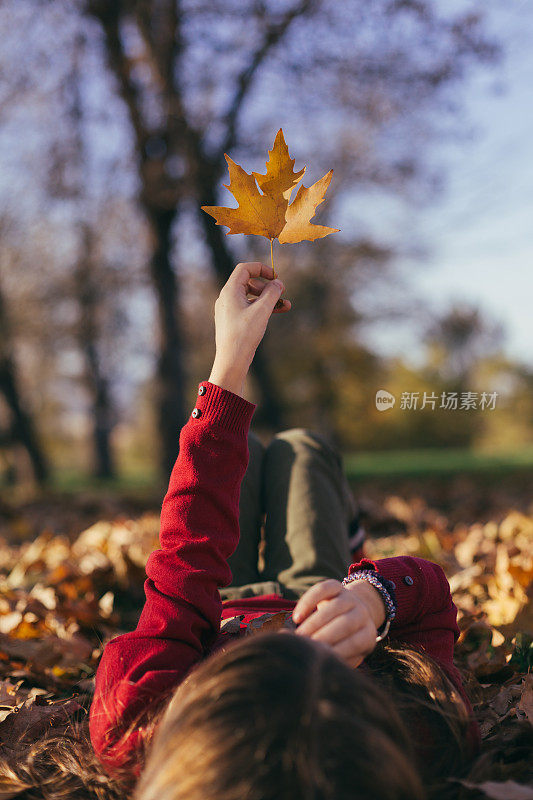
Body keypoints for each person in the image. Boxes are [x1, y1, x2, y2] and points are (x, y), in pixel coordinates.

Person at [88, 262, 481, 800]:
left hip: (213, 609)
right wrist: (371, 601)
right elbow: (432, 595)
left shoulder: (137, 728)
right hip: (312, 594)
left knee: (243, 452)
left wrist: (227, 371)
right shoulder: (415, 731)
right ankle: (348, 545)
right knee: (302, 449)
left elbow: (185, 563)